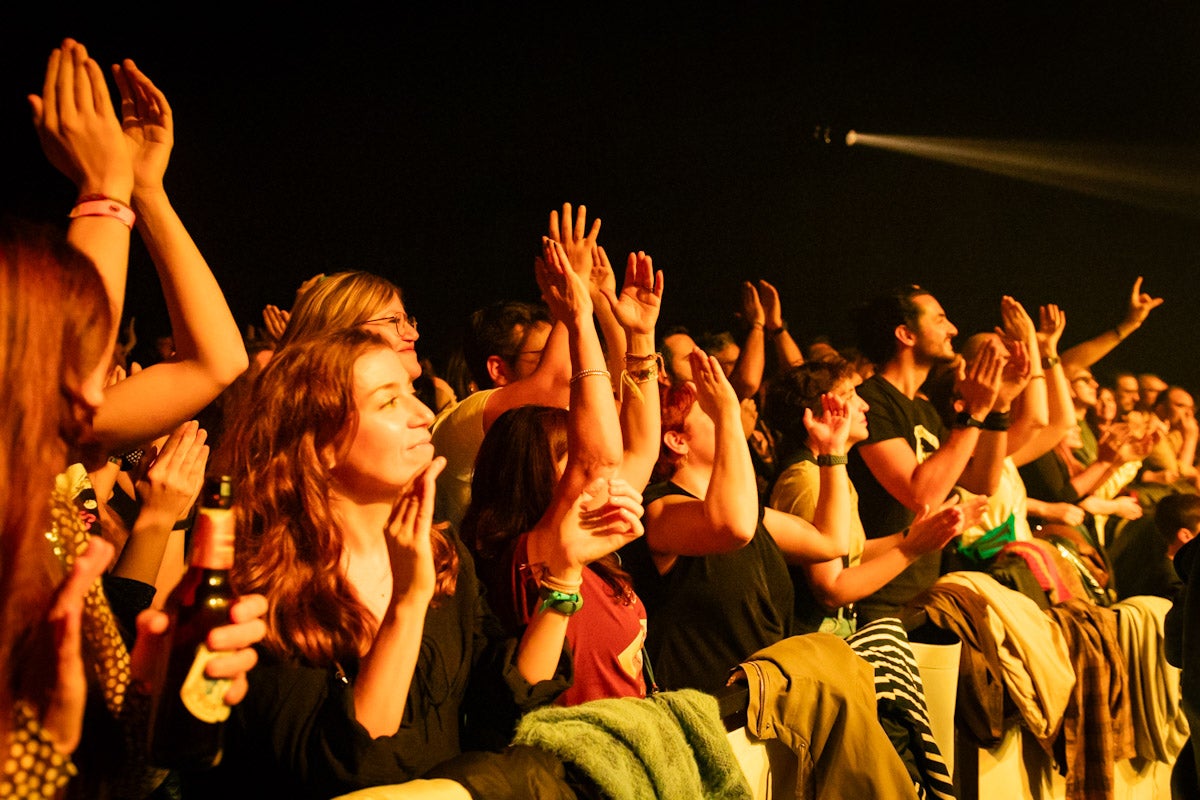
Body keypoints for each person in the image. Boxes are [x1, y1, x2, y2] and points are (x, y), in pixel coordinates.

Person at [203, 297, 638, 798]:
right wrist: (407, 603)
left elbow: (503, 707)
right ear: (318, 445)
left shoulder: (442, 548)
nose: (422, 413)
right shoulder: (261, 587)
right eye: (388, 401)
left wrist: (563, 574)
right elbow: (343, 767)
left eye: (411, 392)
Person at [2, 38, 264, 799]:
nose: (96, 384)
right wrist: (103, 192)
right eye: (76, 350)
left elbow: (217, 364)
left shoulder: (46, 478)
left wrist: (146, 680)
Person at [461, 244, 662, 705]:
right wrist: (578, 321)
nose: (590, 460)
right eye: (568, 455)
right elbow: (601, 460)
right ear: (532, 471)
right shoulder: (530, 554)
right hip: (581, 759)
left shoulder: (583, 531)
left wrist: (640, 339)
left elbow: (643, 448)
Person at [622, 346, 851, 694]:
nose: (723, 409)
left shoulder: (745, 509)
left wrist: (832, 453)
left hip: (764, 702)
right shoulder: (660, 510)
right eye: (708, 410)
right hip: (708, 712)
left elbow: (830, 541)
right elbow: (732, 528)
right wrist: (728, 412)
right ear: (678, 440)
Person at [763, 357, 974, 635]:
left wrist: (915, 534)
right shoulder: (806, 479)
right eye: (849, 396)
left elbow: (852, 554)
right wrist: (911, 549)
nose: (864, 405)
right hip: (811, 645)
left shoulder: (829, 470)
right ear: (815, 416)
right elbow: (832, 589)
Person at [431, 204, 603, 529]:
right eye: (544, 356)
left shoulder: (536, 427)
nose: (566, 360)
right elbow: (557, 382)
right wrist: (575, 288)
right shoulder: (461, 421)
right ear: (498, 369)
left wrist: (604, 302)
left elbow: (621, 405)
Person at [845, 285, 1005, 622]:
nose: (953, 330)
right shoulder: (870, 400)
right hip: (874, 596)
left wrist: (999, 409)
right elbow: (920, 493)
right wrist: (973, 413)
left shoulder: (925, 409)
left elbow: (982, 482)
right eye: (941, 320)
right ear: (906, 334)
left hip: (921, 590)